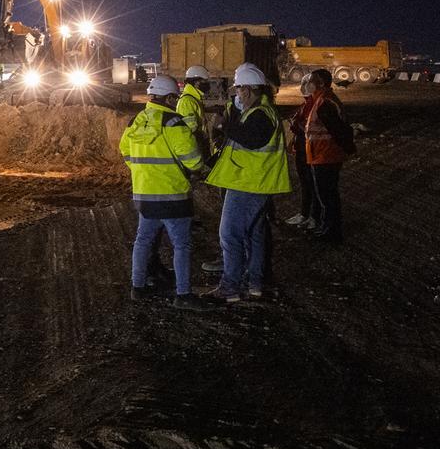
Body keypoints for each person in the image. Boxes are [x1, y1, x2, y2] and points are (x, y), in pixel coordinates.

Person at [203, 65, 291, 303]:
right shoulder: (259, 112)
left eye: (239, 89)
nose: (237, 94)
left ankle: (230, 288)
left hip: (249, 184)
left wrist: (224, 124)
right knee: (255, 235)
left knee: (229, 235)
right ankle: (255, 284)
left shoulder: (261, 114)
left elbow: (250, 140)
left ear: (250, 89)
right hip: (254, 182)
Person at [119, 75, 208, 310]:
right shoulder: (173, 122)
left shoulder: (137, 120)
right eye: (174, 98)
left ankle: (138, 287)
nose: (175, 102)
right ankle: (183, 294)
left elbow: (125, 151)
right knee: (181, 245)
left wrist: (142, 170)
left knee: (143, 241)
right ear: (168, 97)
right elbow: (193, 161)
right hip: (173, 195)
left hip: (145, 194)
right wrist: (196, 168)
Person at [303, 68, 355, 242]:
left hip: (326, 156)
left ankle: (331, 232)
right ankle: (327, 227)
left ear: (321, 83)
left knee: (327, 196)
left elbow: (338, 130)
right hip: (322, 155)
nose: (308, 83)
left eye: (312, 80)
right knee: (326, 195)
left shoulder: (325, 102)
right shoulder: (321, 100)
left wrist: (349, 148)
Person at [285, 74, 318, 229]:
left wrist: (296, 125)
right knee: (307, 184)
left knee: (311, 185)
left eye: (306, 83)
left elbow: (308, 127)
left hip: (310, 150)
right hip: (303, 148)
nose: (303, 86)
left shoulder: (316, 103)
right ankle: (306, 214)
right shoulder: (308, 103)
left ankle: (312, 216)